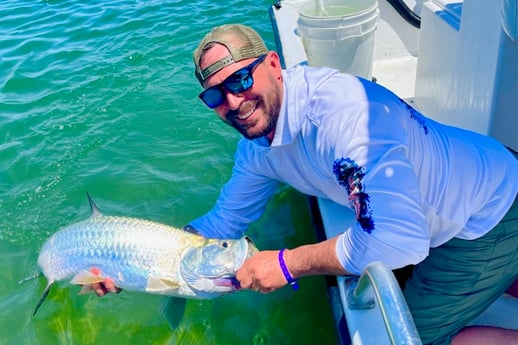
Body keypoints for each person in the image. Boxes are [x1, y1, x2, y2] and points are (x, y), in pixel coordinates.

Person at [93, 24, 518, 345]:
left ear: (274, 65)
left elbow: (400, 242)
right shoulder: (258, 148)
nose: (233, 103)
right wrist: (136, 260)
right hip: (442, 201)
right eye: (215, 96)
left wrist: (285, 264)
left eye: (241, 80)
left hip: (489, 215)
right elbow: (223, 221)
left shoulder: (339, 115)